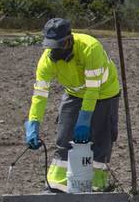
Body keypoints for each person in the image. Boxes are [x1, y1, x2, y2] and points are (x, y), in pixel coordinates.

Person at [24, 18, 121, 191]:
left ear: (69, 40)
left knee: (101, 140)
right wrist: (33, 123)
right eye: (50, 45)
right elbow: (40, 95)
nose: (53, 50)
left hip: (105, 93)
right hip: (74, 94)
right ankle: (56, 186)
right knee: (64, 136)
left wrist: (84, 120)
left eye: (58, 45)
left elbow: (93, 91)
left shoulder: (90, 48)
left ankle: (98, 186)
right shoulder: (47, 61)